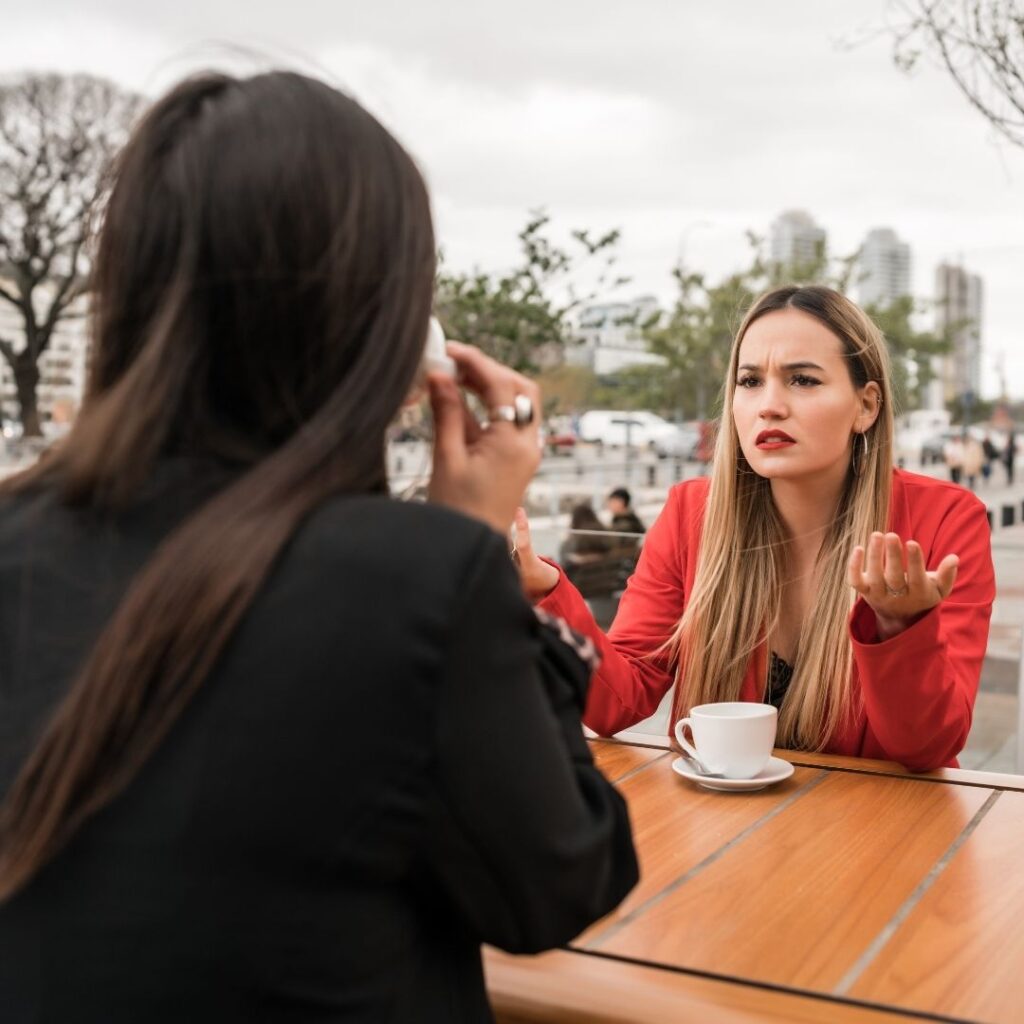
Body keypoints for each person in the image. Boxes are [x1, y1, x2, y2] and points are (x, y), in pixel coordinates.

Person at [0, 71, 637, 1023]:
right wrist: (470, 555)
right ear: (379, 321)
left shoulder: (16, 538)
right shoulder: (415, 582)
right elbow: (564, 881)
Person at [513, 285, 995, 772]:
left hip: (883, 834)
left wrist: (899, 628)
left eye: (803, 380)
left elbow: (927, 748)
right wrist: (542, 585)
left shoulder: (944, 521)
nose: (769, 405)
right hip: (725, 830)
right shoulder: (690, 514)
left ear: (866, 406)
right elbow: (619, 701)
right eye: (749, 381)